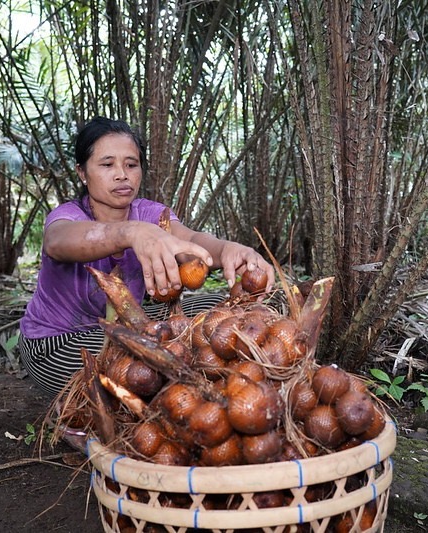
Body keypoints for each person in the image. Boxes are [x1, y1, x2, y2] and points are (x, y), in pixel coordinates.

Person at [19, 117, 275, 396]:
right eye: (107, 165)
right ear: (82, 172)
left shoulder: (149, 214)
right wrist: (132, 233)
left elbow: (189, 240)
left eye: (131, 164)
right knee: (150, 364)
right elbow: (57, 241)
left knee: (225, 311)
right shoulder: (69, 216)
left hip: (126, 325)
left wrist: (227, 250)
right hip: (59, 342)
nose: (122, 174)